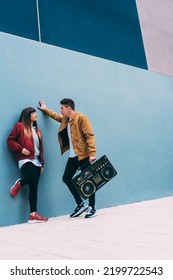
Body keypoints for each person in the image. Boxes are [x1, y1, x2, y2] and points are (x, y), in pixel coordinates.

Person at [38, 98, 97, 218]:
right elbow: (56, 116)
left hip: (84, 155)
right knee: (66, 178)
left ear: (68, 108)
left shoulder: (81, 118)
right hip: (73, 156)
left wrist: (92, 153)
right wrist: (45, 109)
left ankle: (92, 207)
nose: (61, 110)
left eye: (62, 108)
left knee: (88, 180)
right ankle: (80, 204)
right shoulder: (66, 119)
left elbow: (89, 135)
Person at [7, 107, 48, 223]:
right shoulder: (19, 126)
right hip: (25, 159)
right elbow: (10, 141)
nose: (35, 114)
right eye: (33, 113)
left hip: (36, 160)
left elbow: (40, 148)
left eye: (35, 112)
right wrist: (21, 149)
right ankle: (20, 183)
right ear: (27, 115)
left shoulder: (37, 130)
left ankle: (33, 214)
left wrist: (42, 163)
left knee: (34, 187)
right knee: (32, 178)